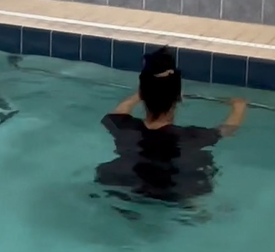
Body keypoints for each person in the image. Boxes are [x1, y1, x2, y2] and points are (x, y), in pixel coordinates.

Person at [95, 46, 247, 209]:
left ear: (144, 95)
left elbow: (118, 113)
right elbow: (229, 129)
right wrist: (239, 107)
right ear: (178, 99)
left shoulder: (125, 128)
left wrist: (141, 93)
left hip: (123, 184)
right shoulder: (191, 136)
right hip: (174, 193)